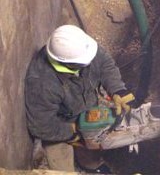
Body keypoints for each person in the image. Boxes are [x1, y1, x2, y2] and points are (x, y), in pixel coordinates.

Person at [24, 25, 135, 172]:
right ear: (68, 63)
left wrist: (117, 89)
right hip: (60, 127)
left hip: (86, 111)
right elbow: (41, 126)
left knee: (93, 149)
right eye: (85, 62)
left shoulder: (82, 49)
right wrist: (74, 132)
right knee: (63, 170)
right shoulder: (42, 83)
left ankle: (93, 166)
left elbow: (105, 64)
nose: (90, 62)